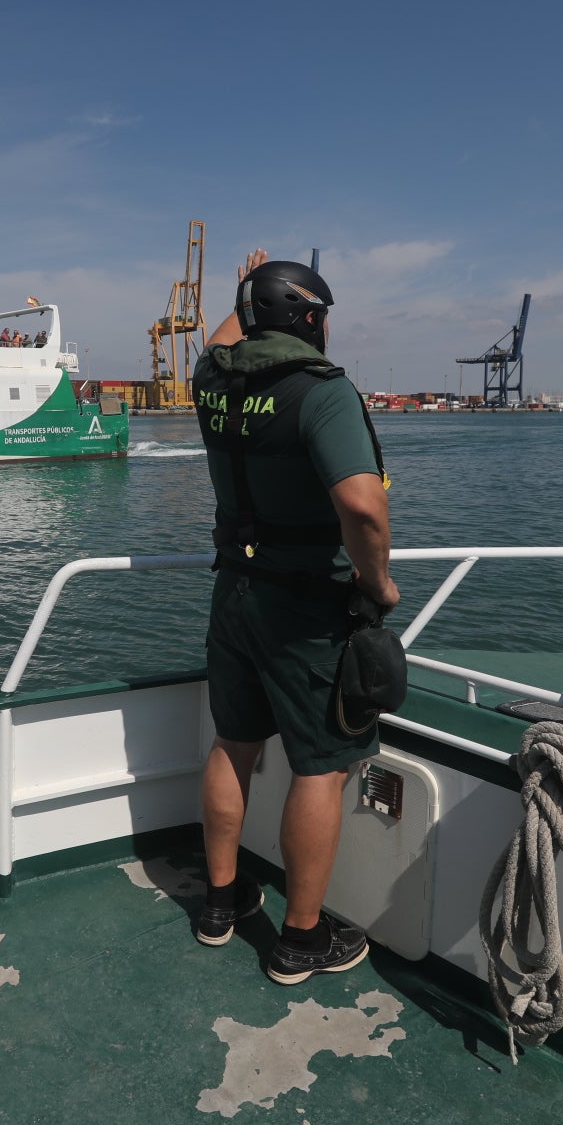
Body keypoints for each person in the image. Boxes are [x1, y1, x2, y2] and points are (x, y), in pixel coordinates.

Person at [190, 249, 397, 985]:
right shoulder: (321, 391)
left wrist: (242, 290)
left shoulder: (212, 377)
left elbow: (222, 337)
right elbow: (363, 505)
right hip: (306, 607)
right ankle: (299, 940)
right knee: (323, 768)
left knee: (233, 742)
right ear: (309, 319)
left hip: (234, 594)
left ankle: (220, 903)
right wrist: (379, 583)